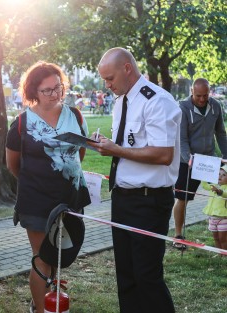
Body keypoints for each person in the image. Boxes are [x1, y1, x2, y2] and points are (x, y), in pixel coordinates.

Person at [88, 47, 181, 313]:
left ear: (127, 68)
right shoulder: (121, 102)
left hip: (149, 200)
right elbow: (129, 146)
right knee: (126, 277)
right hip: (123, 197)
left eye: (110, 78)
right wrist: (106, 145)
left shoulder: (157, 101)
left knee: (147, 277)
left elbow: (163, 154)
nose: (107, 86)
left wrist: (115, 149)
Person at [5, 61, 91, 313]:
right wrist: (39, 178)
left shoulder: (74, 115)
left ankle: (52, 301)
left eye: (59, 87)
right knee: (42, 257)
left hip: (70, 197)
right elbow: (13, 164)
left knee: (59, 256)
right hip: (36, 200)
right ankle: (40, 308)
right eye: (48, 90)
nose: (56, 94)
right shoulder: (22, 122)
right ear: (33, 92)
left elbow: (81, 152)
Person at [172, 78, 227, 250]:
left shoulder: (216, 106)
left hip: (209, 160)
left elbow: (220, 133)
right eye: (198, 96)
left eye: (205, 95)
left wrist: (226, 156)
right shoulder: (183, 108)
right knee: (183, 198)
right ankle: (178, 235)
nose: (202, 99)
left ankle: (221, 234)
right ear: (192, 92)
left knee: (221, 194)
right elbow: (182, 138)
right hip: (187, 161)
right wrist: (189, 158)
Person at [201, 165, 227, 252]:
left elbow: (225, 194)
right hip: (212, 218)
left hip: (223, 218)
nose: (220, 176)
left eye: (224, 175)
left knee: (223, 238)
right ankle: (219, 254)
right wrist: (203, 176)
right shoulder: (213, 185)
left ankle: (225, 255)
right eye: (219, 174)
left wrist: (218, 191)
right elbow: (204, 186)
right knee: (216, 238)